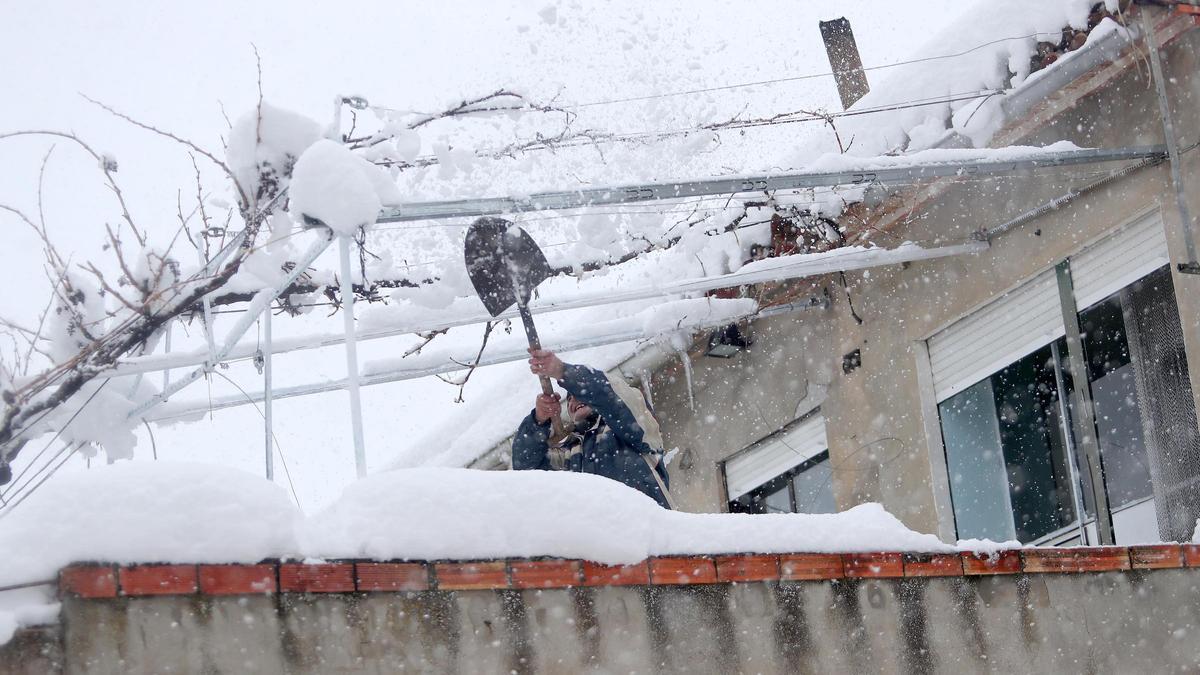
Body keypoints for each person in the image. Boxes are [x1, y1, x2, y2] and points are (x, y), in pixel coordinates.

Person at [512, 349, 673, 509]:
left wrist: (562, 371)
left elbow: (611, 396)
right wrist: (538, 420)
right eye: (569, 400)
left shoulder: (633, 429)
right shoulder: (568, 456)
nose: (574, 400)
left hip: (646, 530)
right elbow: (526, 470)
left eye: (578, 394)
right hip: (597, 534)